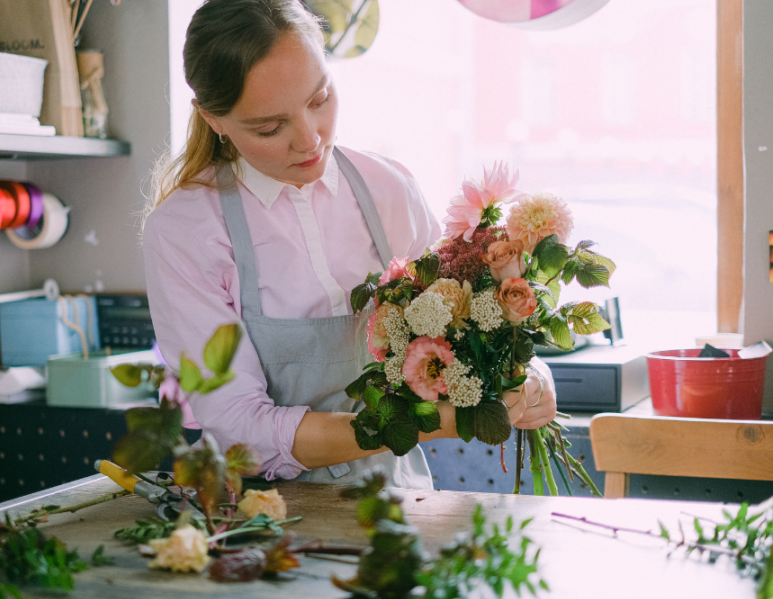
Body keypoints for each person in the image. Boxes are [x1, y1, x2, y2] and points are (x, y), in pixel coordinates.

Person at [142, 0, 557, 490]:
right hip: (256, 525)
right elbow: (240, 433)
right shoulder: (185, 230)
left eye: (319, 100)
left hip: (397, 504)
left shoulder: (388, 189)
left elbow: (465, 333)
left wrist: (528, 377)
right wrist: (434, 422)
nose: (310, 140)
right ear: (213, 119)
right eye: (270, 127)